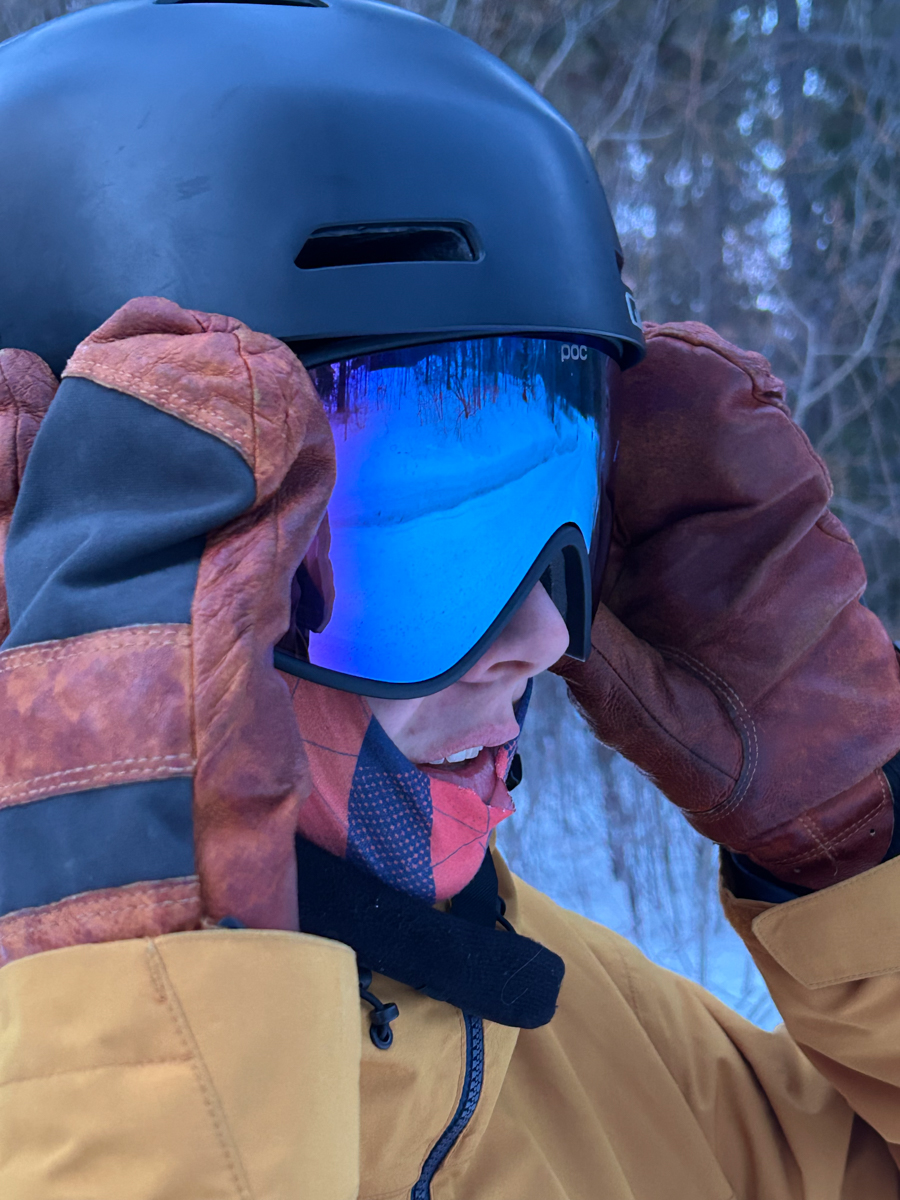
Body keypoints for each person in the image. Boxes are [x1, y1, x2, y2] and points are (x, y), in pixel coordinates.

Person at [1, 3, 900, 1199]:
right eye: (390, 541)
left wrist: (856, 855)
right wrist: (144, 1040)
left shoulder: (599, 1045)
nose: (537, 638)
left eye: (549, 487)